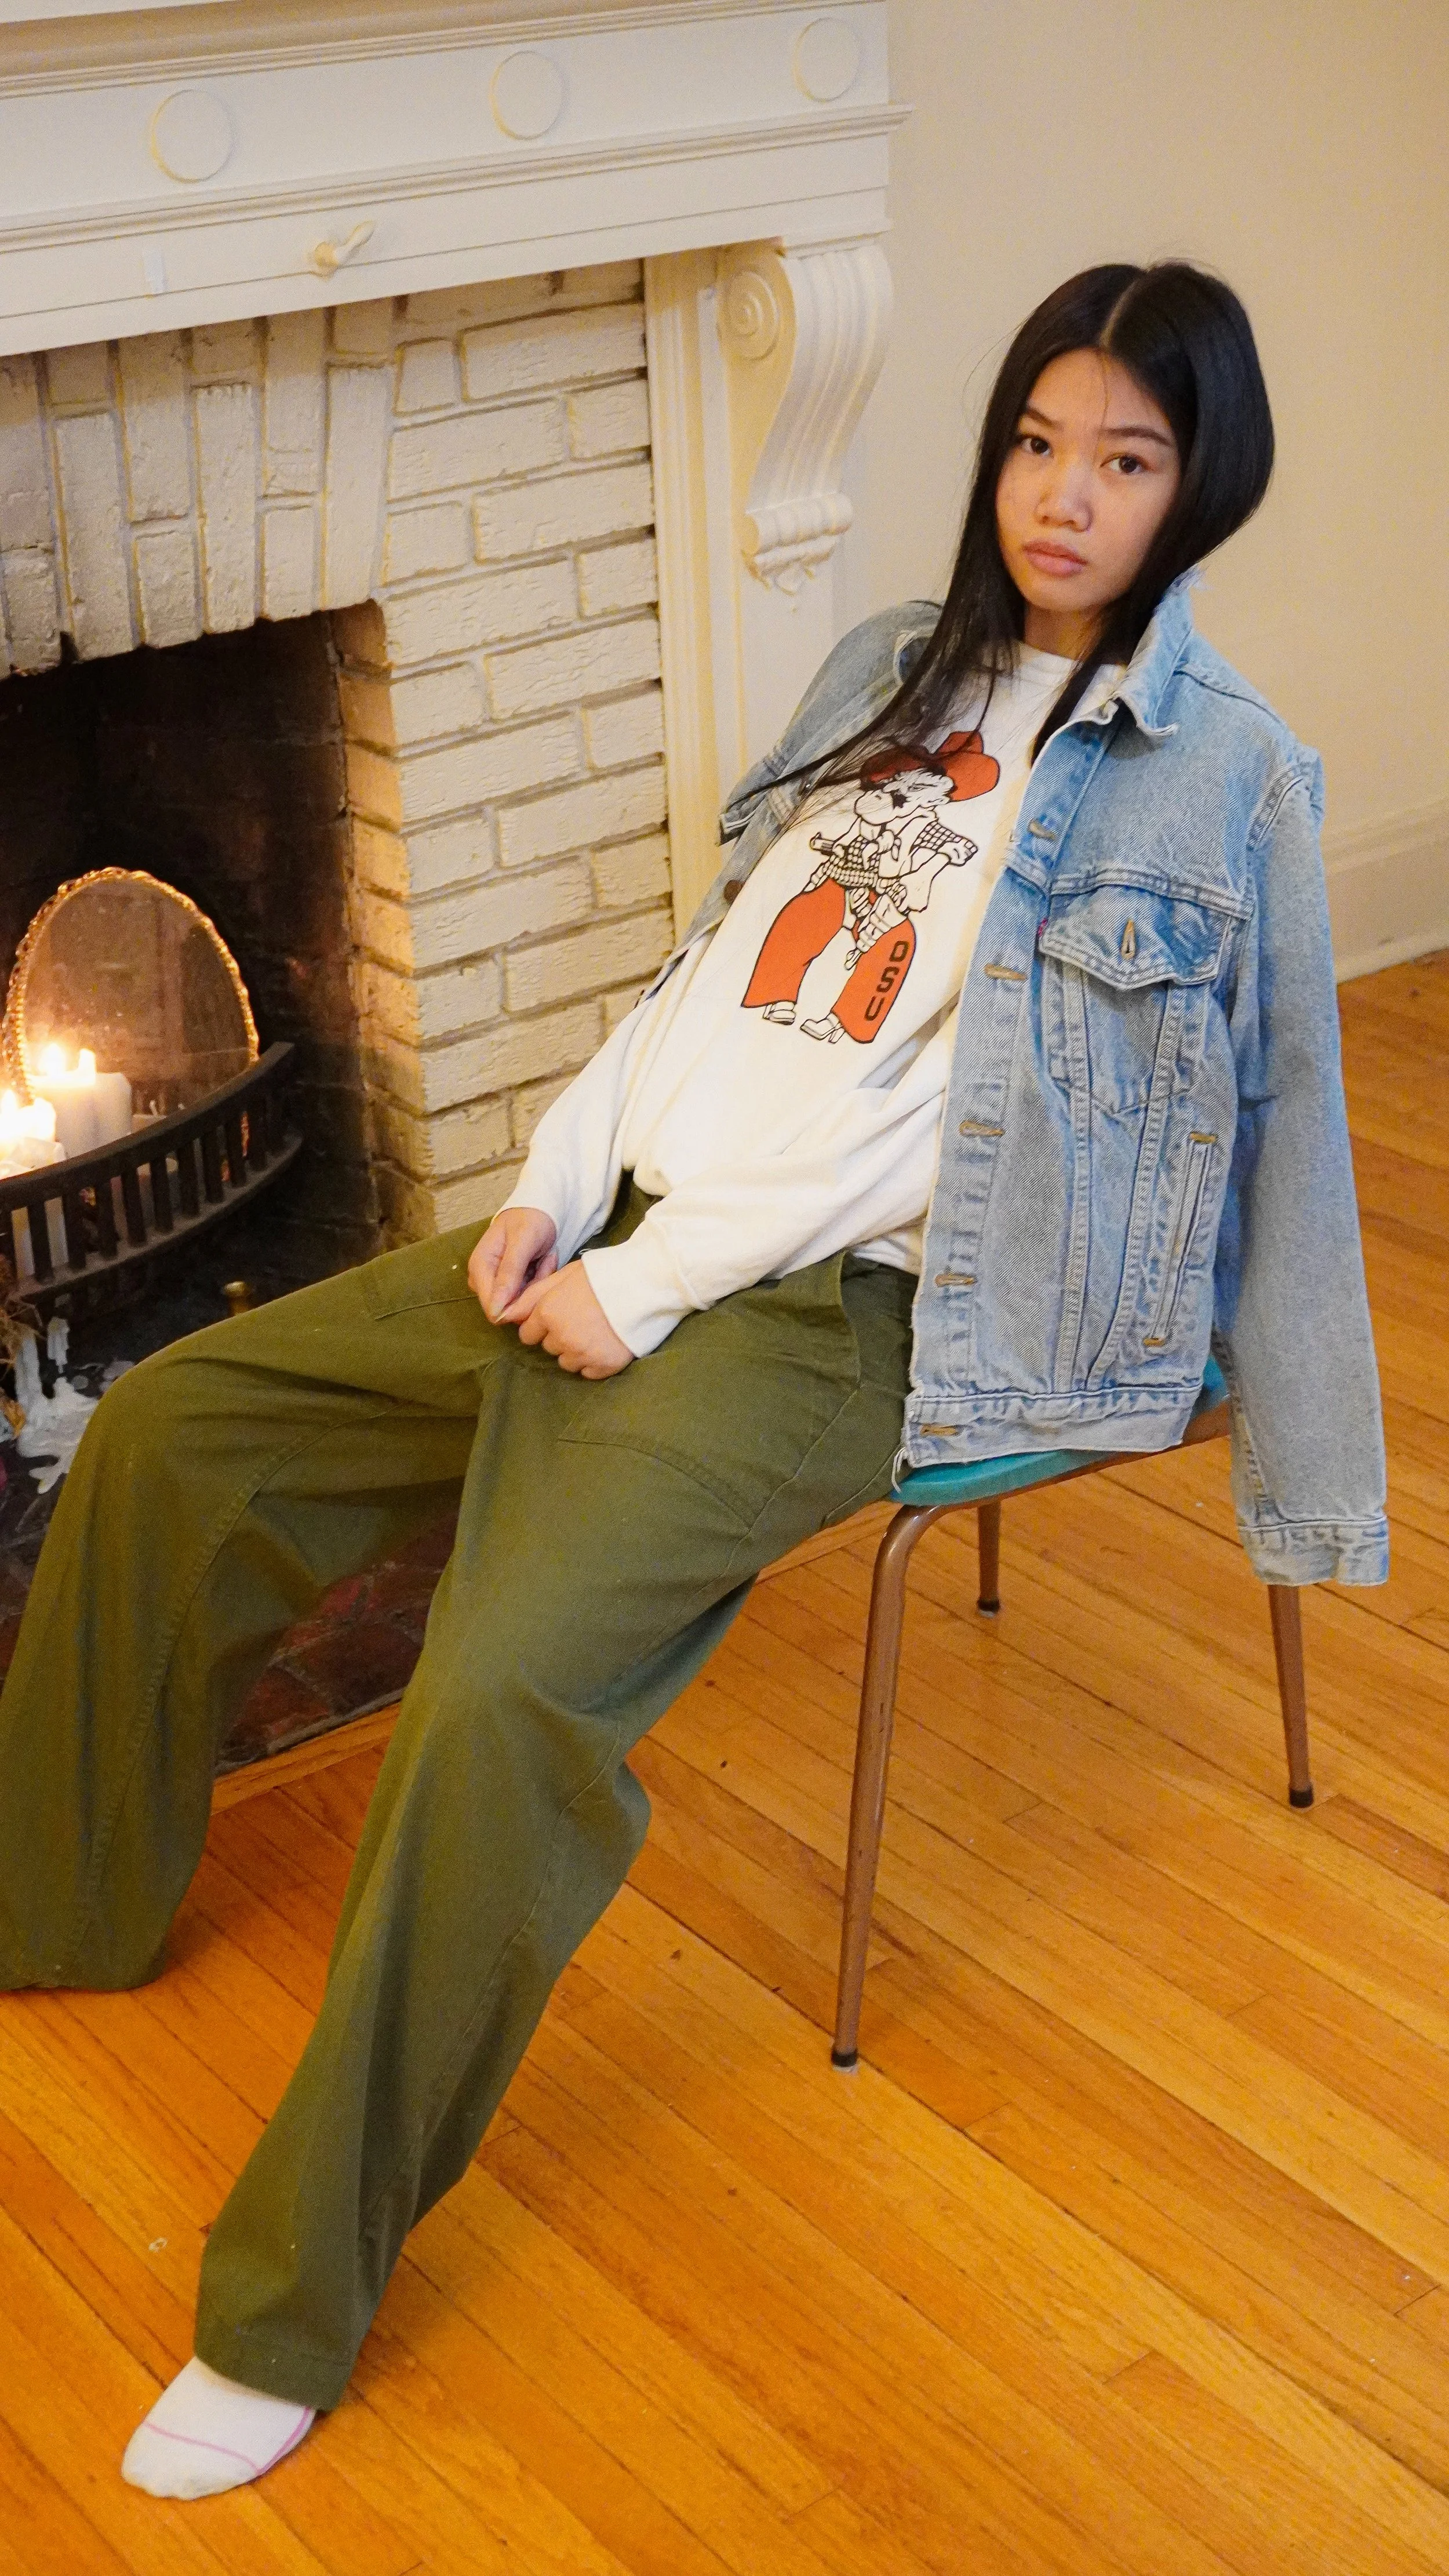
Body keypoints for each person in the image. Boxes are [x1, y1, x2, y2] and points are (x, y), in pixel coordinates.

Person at [0, 261, 1386, 2501]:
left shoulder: (1214, 784)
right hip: (619, 1235)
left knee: (496, 1699)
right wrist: (556, 1190)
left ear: (1196, 486)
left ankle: (285, 2308)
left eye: (1125, 460)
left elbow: (966, 1120)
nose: (1063, 496)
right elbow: (708, 986)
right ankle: (45, 1899)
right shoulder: (885, 679)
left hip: (844, 1319)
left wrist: (658, 1297)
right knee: (178, 1424)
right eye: (1038, 440)